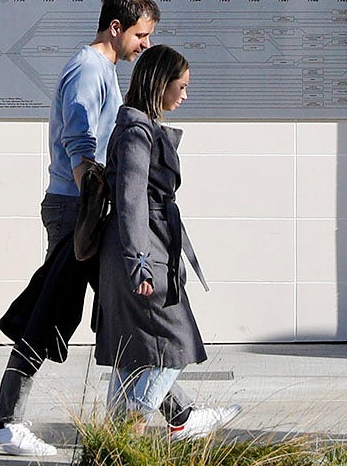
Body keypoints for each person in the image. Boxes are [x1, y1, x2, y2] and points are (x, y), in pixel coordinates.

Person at [0, 0, 156, 459]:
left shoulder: (101, 69)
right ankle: (3, 421)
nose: (144, 45)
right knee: (54, 313)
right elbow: (79, 143)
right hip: (76, 210)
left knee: (119, 309)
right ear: (115, 28)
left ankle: (177, 414)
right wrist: (94, 203)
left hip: (82, 208)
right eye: (140, 35)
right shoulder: (88, 69)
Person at [95, 43, 239, 439]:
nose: (185, 95)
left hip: (145, 246)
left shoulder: (135, 127)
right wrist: (138, 261)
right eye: (181, 86)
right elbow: (130, 201)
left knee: (134, 349)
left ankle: (116, 441)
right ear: (160, 85)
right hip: (145, 248)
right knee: (176, 342)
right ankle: (132, 424)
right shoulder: (137, 133)